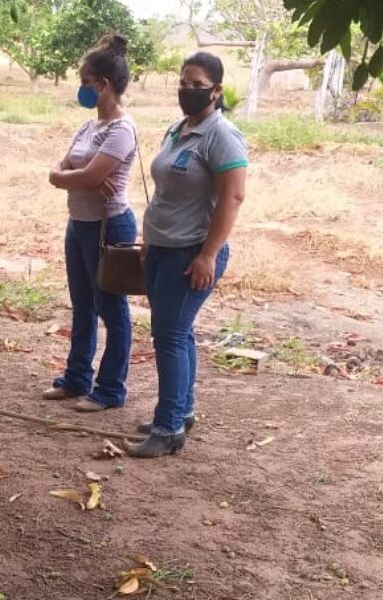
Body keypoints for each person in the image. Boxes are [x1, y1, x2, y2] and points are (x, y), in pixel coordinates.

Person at [129, 51, 248, 458]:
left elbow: (233, 197)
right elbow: (166, 191)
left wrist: (208, 254)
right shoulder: (177, 129)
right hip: (162, 247)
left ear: (216, 91)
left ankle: (168, 428)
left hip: (191, 252)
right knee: (178, 333)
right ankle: (182, 410)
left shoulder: (222, 135)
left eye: (197, 85)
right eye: (183, 82)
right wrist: (149, 238)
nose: (187, 90)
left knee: (169, 337)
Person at [43, 34, 139, 413]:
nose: (81, 88)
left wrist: (72, 176)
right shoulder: (88, 127)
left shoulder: (122, 129)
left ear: (104, 84)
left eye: (86, 81)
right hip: (79, 223)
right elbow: (62, 170)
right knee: (82, 305)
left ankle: (110, 389)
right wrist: (72, 176)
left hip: (108, 227)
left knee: (111, 310)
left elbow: (81, 174)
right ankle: (76, 378)